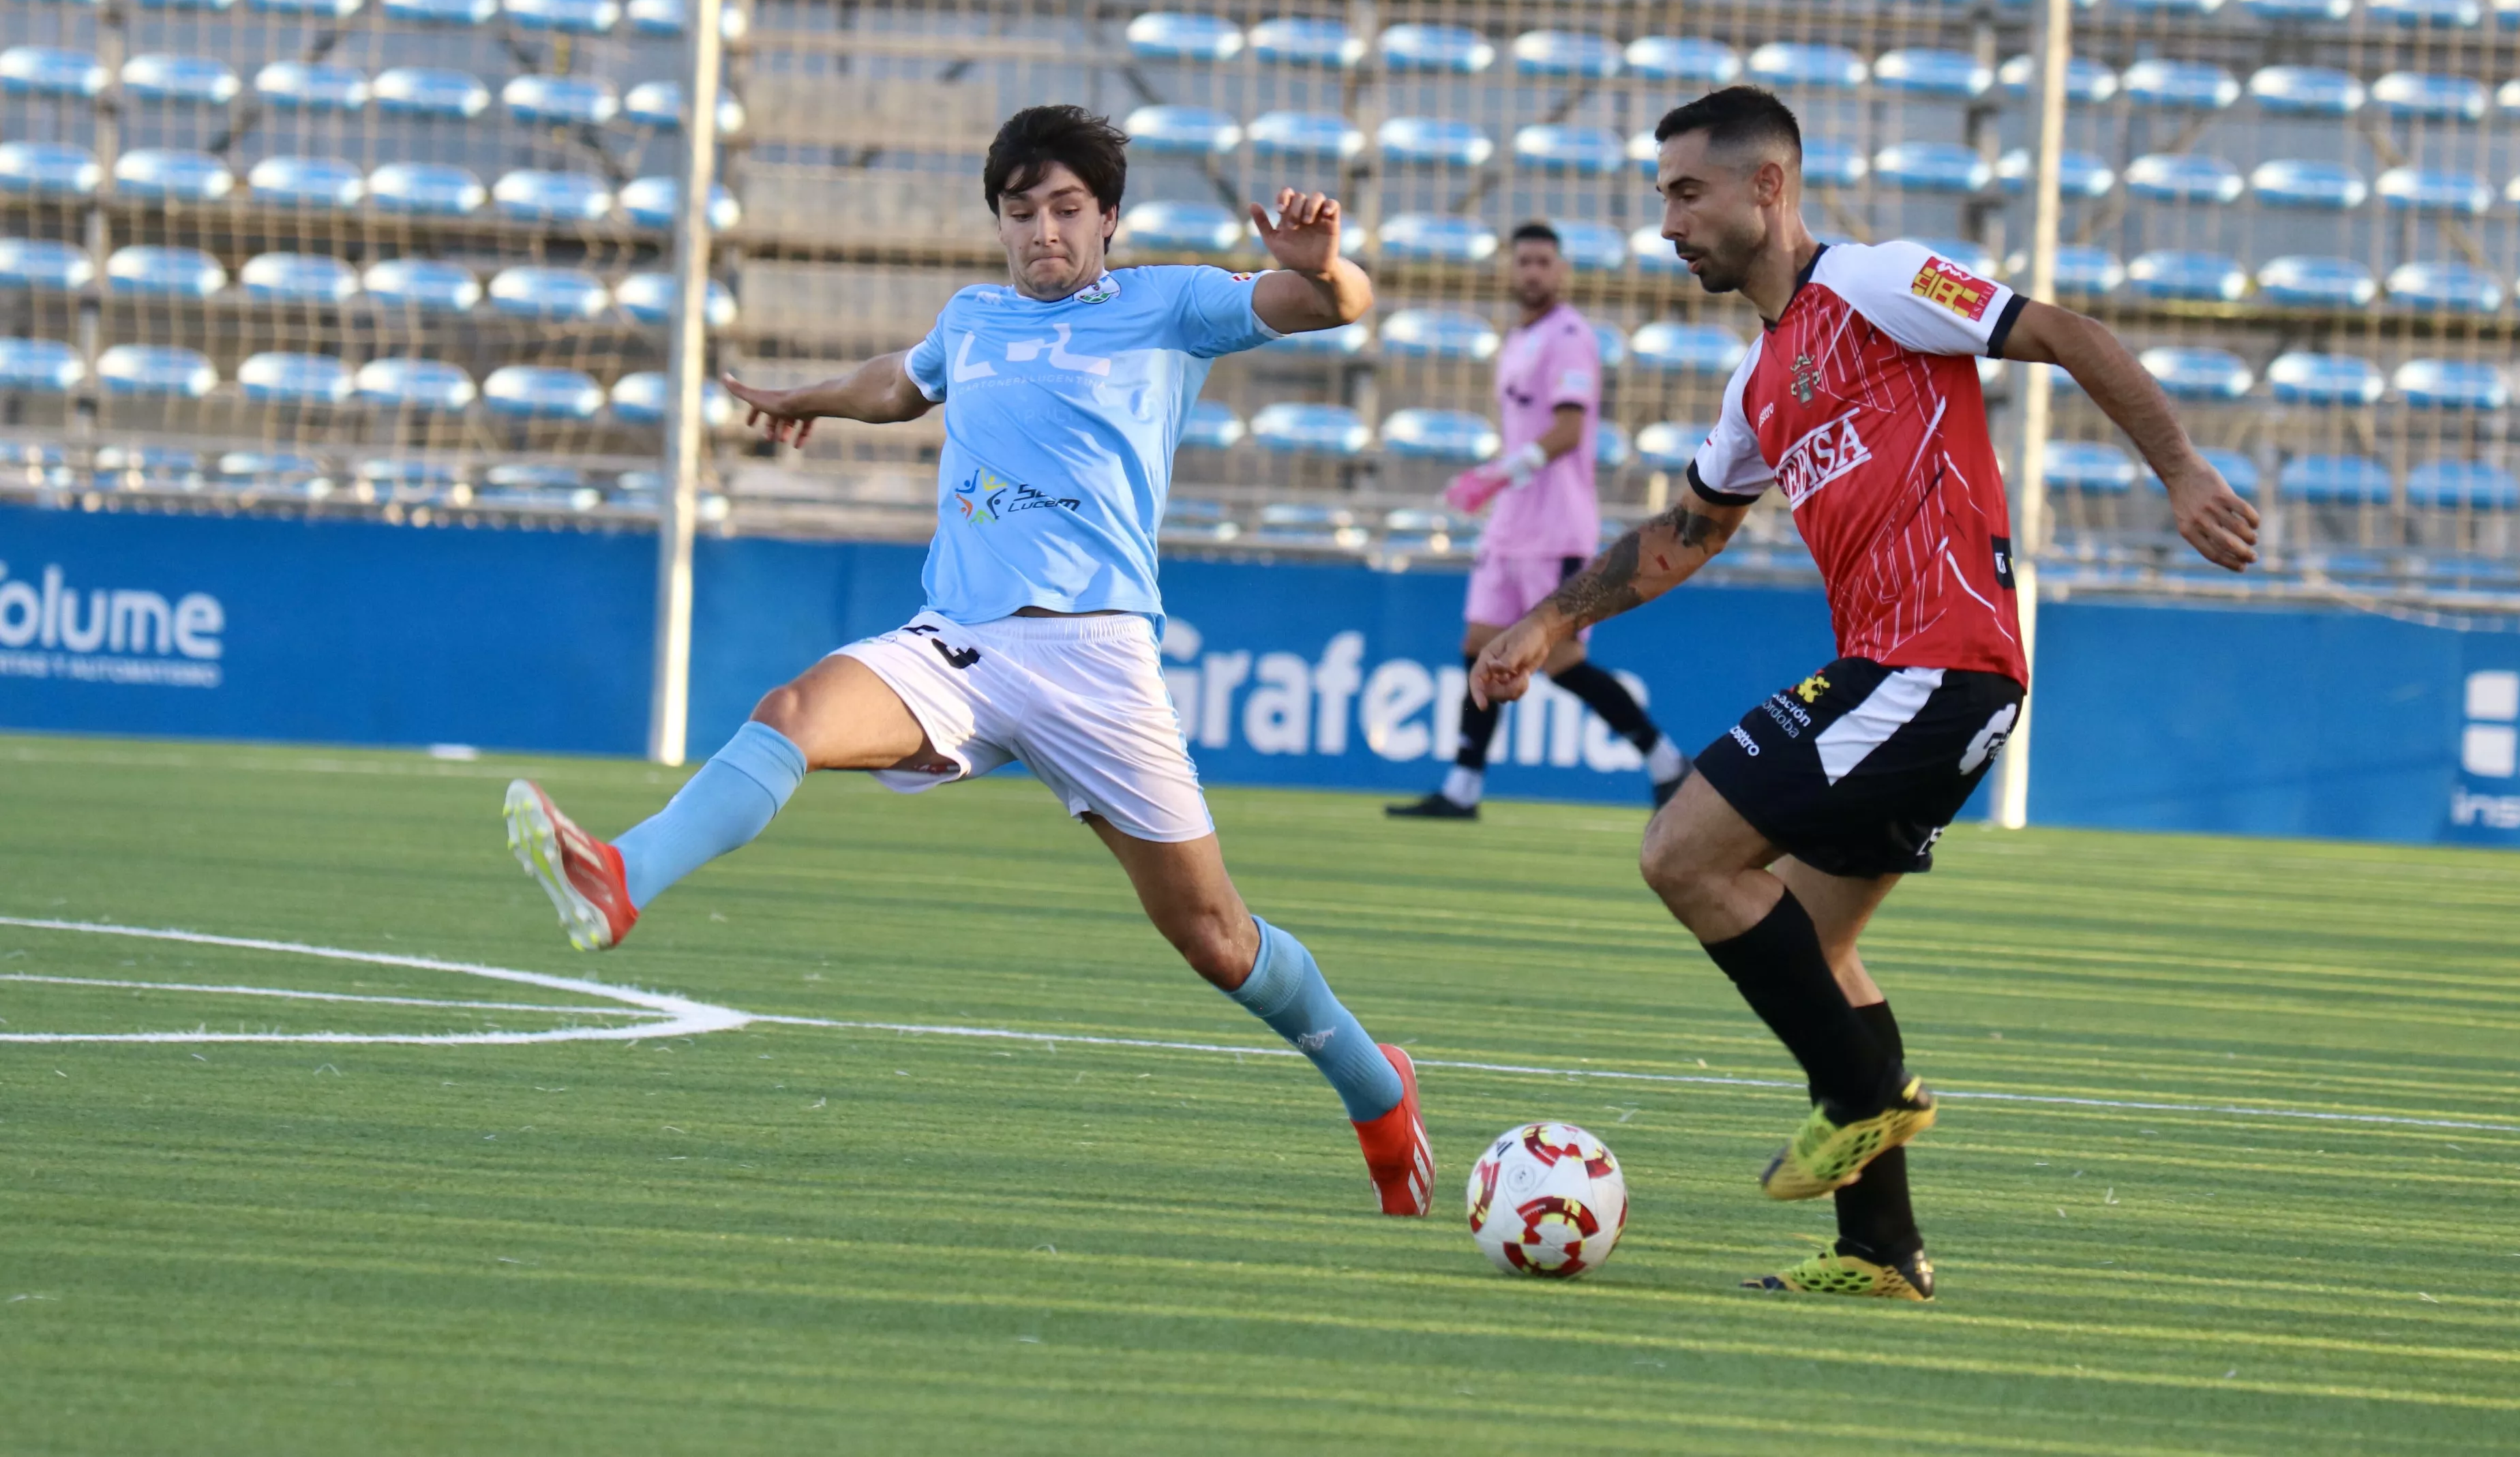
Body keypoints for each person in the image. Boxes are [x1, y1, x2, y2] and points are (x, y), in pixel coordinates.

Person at [502, 105, 1435, 1218]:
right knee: (793, 708)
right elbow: (903, 382)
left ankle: (1376, 1095)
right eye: (1020, 210)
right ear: (997, 222)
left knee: (1214, 938)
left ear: (1106, 220)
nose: (1043, 229)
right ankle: (621, 881)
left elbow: (1328, 306)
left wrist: (1323, 268)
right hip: (960, 643)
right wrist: (807, 400)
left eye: (1065, 209)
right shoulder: (974, 318)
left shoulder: (1168, 305)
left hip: (1097, 661)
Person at [1471, 87, 2258, 1299]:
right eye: (1661, 198)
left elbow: (2059, 332)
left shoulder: (1881, 283)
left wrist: (2180, 467)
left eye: (1687, 193)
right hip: (1908, 675)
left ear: (1766, 186)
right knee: (1819, 945)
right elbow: (1685, 534)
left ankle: (1864, 1098)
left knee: (1683, 851)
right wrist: (1546, 620)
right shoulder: (1757, 383)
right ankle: (1881, 1253)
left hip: (1936, 661)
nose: (1668, 223)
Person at [1387, 221, 1690, 820]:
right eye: (1523, 261)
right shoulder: (1517, 339)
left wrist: (1501, 473)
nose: (1532, 272)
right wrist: (1499, 483)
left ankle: (1664, 760)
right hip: (1510, 528)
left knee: (1560, 662)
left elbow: (1570, 430)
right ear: (1510, 268)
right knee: (1478, 648)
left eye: (1542, 262)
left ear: (1560, 271)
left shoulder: (1569, 337)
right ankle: (1462, 788)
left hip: (1555, 529)